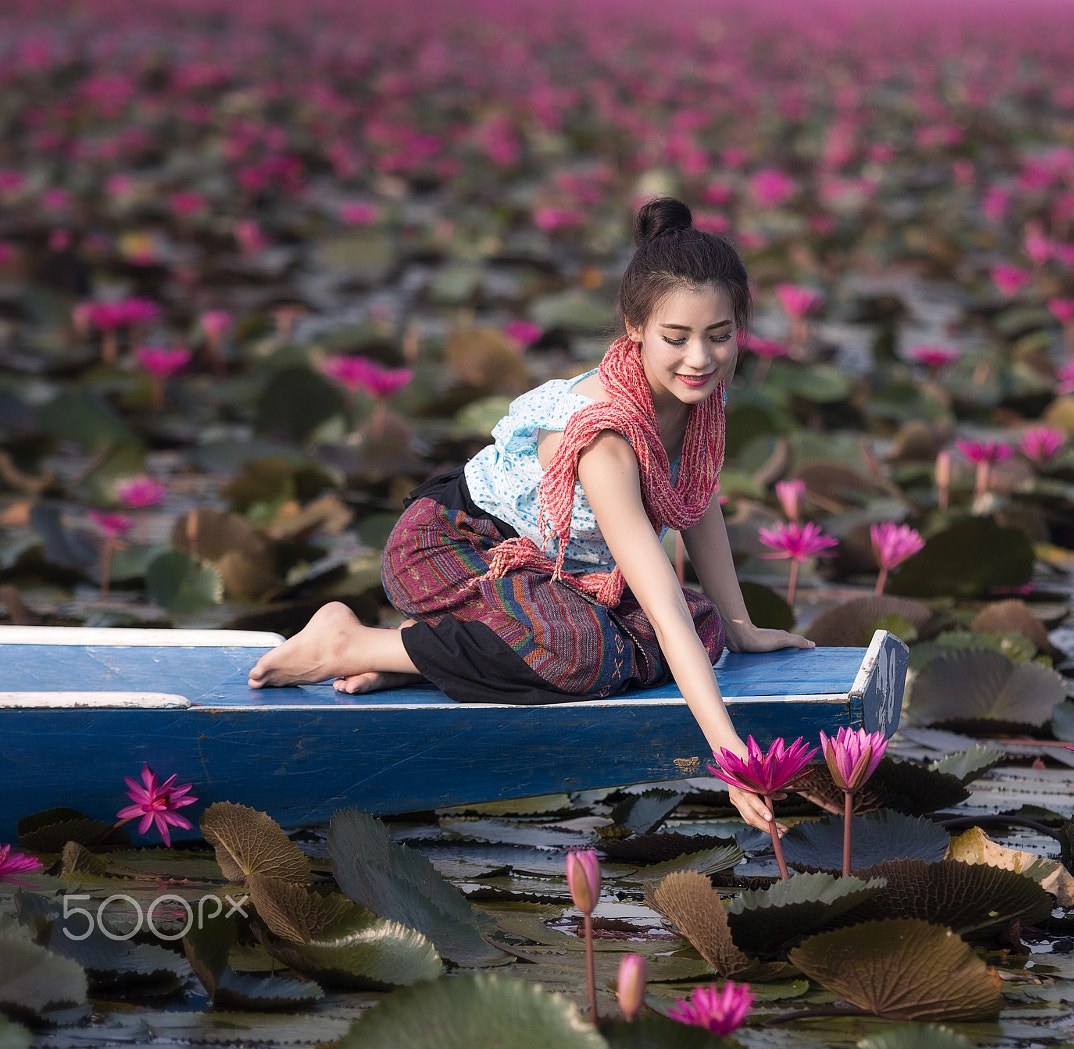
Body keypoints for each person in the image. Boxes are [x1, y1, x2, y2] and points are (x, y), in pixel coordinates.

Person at [248, 197, 814, 830]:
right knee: (584, 652)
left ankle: (412, 661)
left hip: (562, 573)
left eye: (720, 336)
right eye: (675, 338)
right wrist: (727, 750)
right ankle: (353, 642)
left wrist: (740, 627)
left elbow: (697, 497)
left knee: (699, 631)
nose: (700, 359)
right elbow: (657, 592)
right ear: (634, 327)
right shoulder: (605, 438)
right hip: (456, 549)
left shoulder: (697, 392)